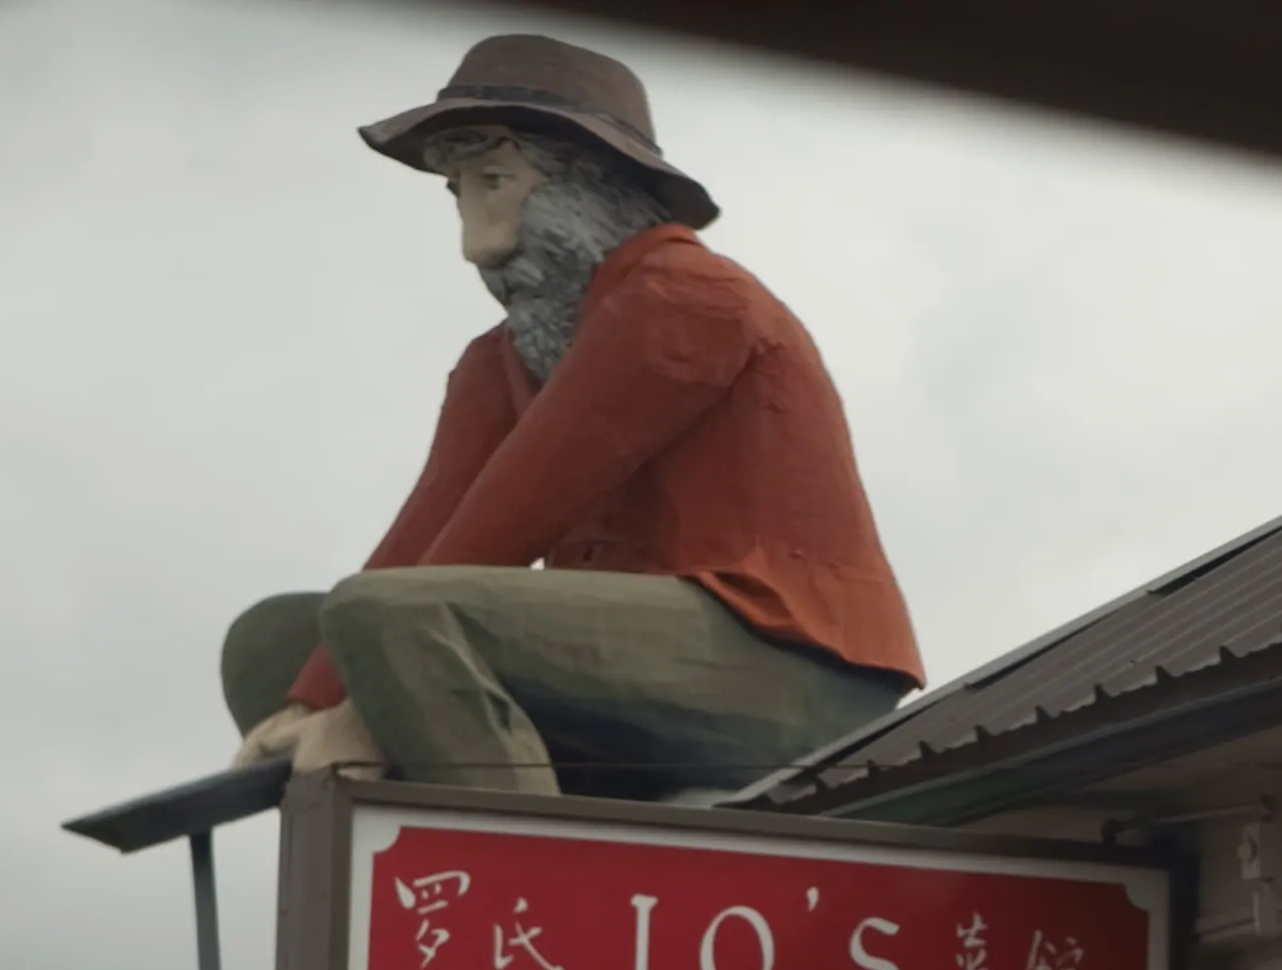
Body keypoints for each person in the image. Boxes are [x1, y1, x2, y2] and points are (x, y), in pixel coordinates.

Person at [223, 33, 924, 798]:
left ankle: (525, 874)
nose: (476, 241)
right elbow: (428, 524)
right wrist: (305, 699)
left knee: (386, 619)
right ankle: (388, 849)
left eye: (496, 180)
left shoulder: (688, 296)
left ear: (591, 183)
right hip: (625, 666)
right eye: (459, 192)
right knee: (279, 640)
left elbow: (514, 510)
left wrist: (365, 701)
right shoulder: (503, 355)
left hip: (785, 659)